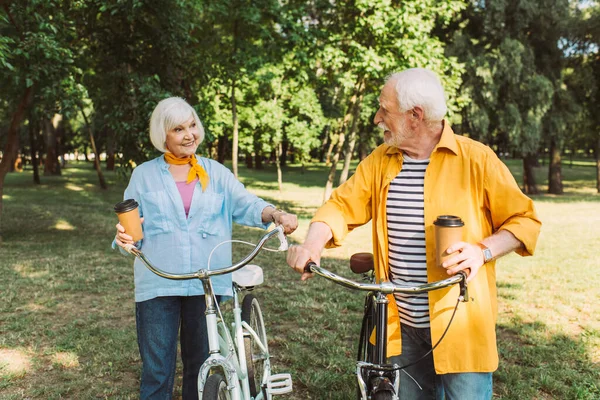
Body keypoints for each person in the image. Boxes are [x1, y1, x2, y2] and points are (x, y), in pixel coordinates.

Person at [286, 68, 541, 399]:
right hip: (401, 327)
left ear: (415, 116)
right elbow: (340, 206)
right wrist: (311, 244)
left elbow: (525, 221)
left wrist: (483, 250)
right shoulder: (381, 161)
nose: (377, 118)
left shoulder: (476, 159)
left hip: (461, 325)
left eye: (384, 110)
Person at [113, 97, 298, 400]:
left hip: (205, 285)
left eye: (193, 125)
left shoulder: (216, 173)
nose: (189, 135)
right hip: (159, 284)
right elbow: (129, 232)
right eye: (178, 129)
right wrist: (124, 240)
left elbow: (247, 204)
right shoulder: (143, 176)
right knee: (157, 371)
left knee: (200, 367)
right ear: (163, 135)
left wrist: (275, 214)